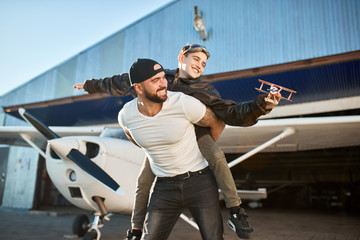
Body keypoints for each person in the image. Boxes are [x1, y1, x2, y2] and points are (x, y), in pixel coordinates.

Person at [74, 44, 279, 239]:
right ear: (181, 58)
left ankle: (235, 210)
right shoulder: (159, 78)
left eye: (204, 63)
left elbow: (231, 113)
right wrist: (90, 85)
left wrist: (261, 106)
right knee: (143, 182)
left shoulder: (204, 90)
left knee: (216, 155)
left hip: (194, 134)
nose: (199, 65)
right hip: (161, 143)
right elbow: (118, 82)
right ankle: (136, 230)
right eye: (196, 59)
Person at [119, 58, 224, 239]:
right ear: (138, 88)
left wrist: (204, 147)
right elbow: (137, 140)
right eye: (155, 80)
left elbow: (216, 122)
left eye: (163, 78)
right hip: (164, 187)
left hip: (200, 182)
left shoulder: (183, 103)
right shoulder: (126, 116)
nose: (163, 84)